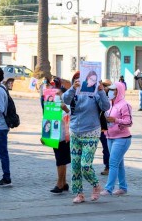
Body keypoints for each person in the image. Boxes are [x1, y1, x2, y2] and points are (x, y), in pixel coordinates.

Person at [62, 71, 110, 203]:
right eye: (76, 79)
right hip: (75, 132)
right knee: (76, 165)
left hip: (91, 131)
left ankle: (96, 185)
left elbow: (106, 106)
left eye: (81, 79)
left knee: (85, 165)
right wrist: (73, 88)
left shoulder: (94, 92)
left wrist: (101, 91)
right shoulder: (73, 92)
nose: (79, 81)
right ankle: (79, 194)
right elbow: (64, 100)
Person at [99, 82, 133, 196]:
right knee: (119, 164)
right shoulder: (109, 103)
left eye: (114, 90)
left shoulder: (125, 105)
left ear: (119, 91)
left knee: (112, 163)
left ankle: (108, 189)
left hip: (122, 138)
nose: (111, 92)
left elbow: (129, 122)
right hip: (109, 137)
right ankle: (123, 187)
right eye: (110, 90)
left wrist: (116, 120)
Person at [47, 87, 71, 194]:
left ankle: (60, 184)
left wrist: (65, 109)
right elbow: (48, 122)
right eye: (55, 93)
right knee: (60, 161)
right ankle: (64, 182)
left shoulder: (67, 105)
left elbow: (71, 118)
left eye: (58, 93)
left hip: (64, 138)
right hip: (55, 137)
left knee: (61, 161)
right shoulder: (52, 106)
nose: (56, 95)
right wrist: (45, 137)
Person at [99, 79, 112, 176]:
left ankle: (108, 166)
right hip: (96, 126)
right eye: (104, 86)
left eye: (108, 86)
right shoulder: (98, 96)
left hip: (106, 128)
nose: (106, 88)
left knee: (106, 148)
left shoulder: (113, 99)